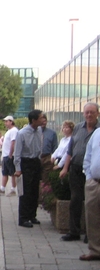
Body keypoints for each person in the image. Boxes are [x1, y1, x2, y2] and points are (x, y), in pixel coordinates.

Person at [59, 102, 100, 241]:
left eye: (92, 112)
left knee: (92, 204)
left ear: (98, 114)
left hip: (94, 173)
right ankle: (74, 231)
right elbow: (70, 150)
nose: (89, 115)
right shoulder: (77, 128)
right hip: (76, 168)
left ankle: (91, 235)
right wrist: (65, 168)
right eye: (87, 112)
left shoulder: (99, 130)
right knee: (75, 200)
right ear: (83, 114)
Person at [14, 109, 44, 228]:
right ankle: (23, 218)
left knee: (34, 191)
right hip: (26, 163)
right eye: (41, 118)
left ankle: (32, 215)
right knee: (25, 192)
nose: (43, 120)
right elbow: (17, 153)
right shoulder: (22, 133)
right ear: (34, 120)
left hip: (36, 162)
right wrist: (18, 168)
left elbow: (39, 146)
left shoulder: (39, 130)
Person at [81, 127, 100, 260]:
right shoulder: (97, 133)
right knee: (92, 218)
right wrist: (89, 177)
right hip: (94, 183)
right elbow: (88, 156)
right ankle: (95, 250)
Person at [0, 115, 19, 196]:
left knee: (12, 173)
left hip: (9, 155)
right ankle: (2, 188)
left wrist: (11, 154)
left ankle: (13, 189)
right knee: (5, 173)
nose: (5, 123)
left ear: (11, 121)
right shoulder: (9, 131)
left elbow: (13, 143)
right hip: (5, 155)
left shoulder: (14, 131)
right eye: (5, 121)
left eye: (7, 121)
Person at [40, 114, 58, 183]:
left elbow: (55, 147)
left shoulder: (52, 133)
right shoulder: (34, 133)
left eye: (44, 121)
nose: (43, 123)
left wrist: (54, 158)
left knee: (46, 178)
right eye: (41, 121)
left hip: (47, 157)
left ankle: (45, 192)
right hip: (37, 157)